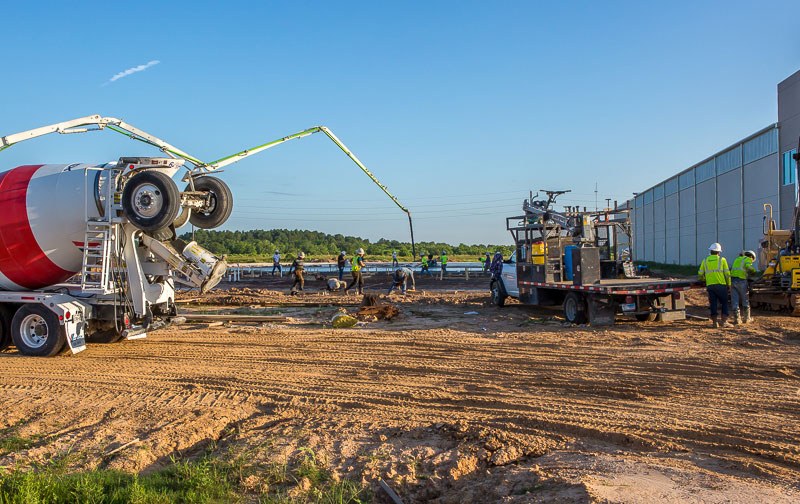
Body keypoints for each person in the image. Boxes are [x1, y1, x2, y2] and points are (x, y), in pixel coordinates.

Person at [698, 242, 732, 328]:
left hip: (710, 286)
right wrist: (729, 284)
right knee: (724, 303)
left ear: (710, 251)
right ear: (719, 252)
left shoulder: (705, 260)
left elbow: (700, 273)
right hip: (721, 285)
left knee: (713, 304)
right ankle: (724, 322)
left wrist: (704, 280)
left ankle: (714, 322)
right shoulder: (722, 260)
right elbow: (727, 274)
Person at [730, 250, 758, 324]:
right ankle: (747, 318)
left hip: (733, 280)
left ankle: (737, 319)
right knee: (745, 299)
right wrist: (754, 271)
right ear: (751, 256)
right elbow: (748, 267)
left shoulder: (737, 259)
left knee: (735, 300)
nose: (752, 261)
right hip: (741, 281)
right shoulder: (747, 259)